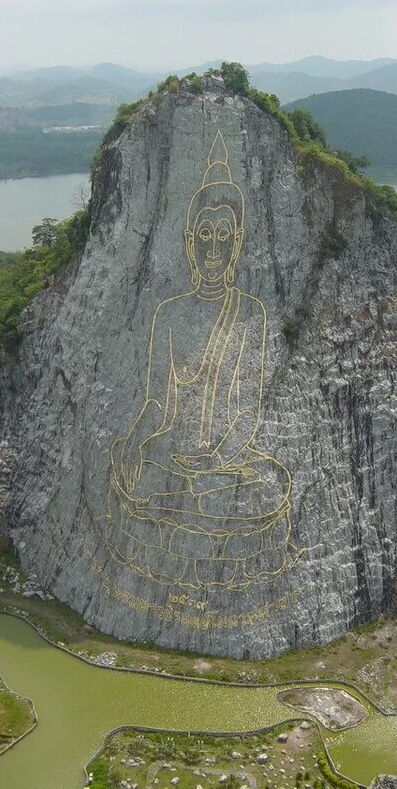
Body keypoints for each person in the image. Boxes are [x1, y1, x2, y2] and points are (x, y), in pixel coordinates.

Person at [105, 131, 296, 592]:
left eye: (223, 237)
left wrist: (216, 461)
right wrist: (134, 441)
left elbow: (248, 408)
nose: (213, 250)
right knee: (140, 469)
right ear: (190, 240)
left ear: (238, 241)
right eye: (205, 236)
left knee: (261, 487)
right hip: (173, 453)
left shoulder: (251, 312)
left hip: (223, 462)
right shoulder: (169, 313)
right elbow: (155, 401)